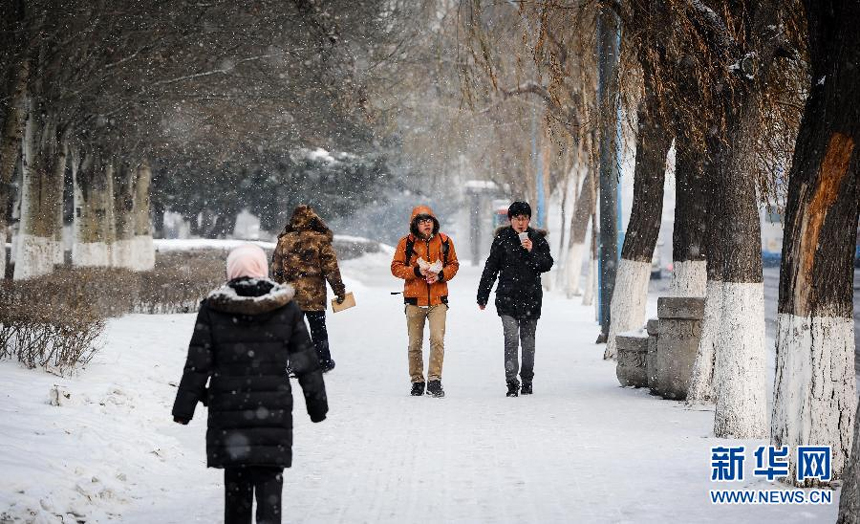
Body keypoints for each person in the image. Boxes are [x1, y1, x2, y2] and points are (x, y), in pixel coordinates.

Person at [172, 244, 328, 524]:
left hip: (229, 412)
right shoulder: (286, 308)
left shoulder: (214, 308)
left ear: (231, 271)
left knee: (236, 491)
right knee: (270, 487)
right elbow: (306, 363)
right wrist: (317, 406)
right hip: (273, 412)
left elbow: (197, 364)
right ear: (263, 269)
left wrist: (184, 409)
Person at [477, 201, 553, 397]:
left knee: (528, 342)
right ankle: (511, 381)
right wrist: (482, 295)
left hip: (531, 299)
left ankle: (527, 380)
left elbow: (547, 264)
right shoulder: (502, 239)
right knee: (511, 339)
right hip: (507, 299)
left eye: (525, 218)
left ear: (529, 219)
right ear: (510, 219)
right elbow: (491, 268)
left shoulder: (537, 239)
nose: (521, 222)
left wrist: (532, 251)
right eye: (517, 218)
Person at [390, 205, 460, 398]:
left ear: (434, 222)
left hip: (438, 299)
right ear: (415, 224)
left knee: (437, 340)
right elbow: (395, 267)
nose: (426, 224)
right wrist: (416, 271)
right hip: (414, 300)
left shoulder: (445, 241)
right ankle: (417, 381)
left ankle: (435, 380)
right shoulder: (406, 243)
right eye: (421, 221)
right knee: (414, 344)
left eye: (429, 220)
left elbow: (454, 264)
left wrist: (441, 275)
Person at [271, 205, 346, 373]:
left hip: (291, 295)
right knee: (318, 329)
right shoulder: (320, 240)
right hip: (314, 295)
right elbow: (331, 269)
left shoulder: (284, 240)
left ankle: (293, 364)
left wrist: (280, 286)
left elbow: (276, 270)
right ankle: (323, 361)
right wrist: (339, 291)